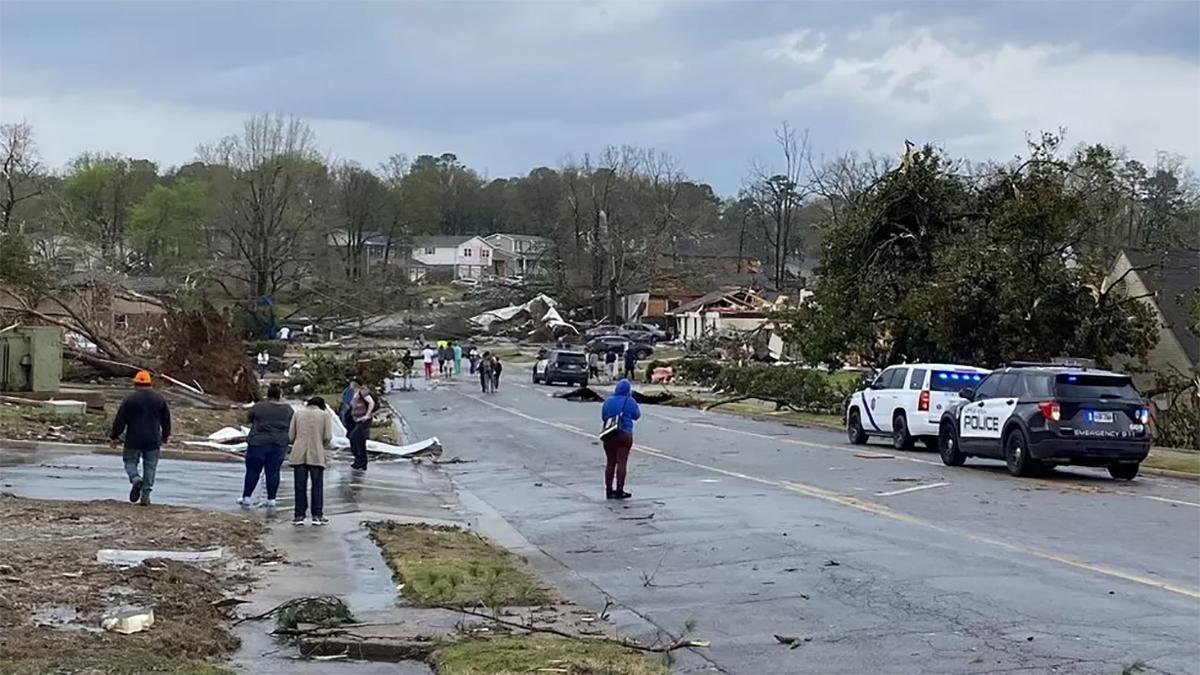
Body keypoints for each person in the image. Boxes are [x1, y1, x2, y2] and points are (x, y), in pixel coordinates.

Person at [109, 370, 171, 506]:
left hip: (133, 438)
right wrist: (165, 436)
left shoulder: (129, 399)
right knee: (150, 467)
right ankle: (145, 496)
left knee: (130, 461)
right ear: (150, 383)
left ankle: (135, 478)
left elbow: (120, 420)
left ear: (135, 384)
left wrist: (114, 436)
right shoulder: (159, 399)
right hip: (153, 439)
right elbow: (166, 420)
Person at [238, 383, 294, 508]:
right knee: (273, 471)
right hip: (279, 444)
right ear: (280, 395)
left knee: (253, 470)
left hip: (258, 443)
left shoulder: (259, 407)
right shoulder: (288, 409)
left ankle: (247, 497)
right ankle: (271, 499)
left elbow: (249, 419)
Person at [289, 396, 333, 526]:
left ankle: (299, 515)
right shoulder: (325, 415)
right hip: (316, 453)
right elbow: (327, 436)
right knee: (317, 485)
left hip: (299, 453)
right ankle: (317, 515)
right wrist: (321, 445)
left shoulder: (298, 414)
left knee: (299, 486)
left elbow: (291, 436)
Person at [600, 379, 641, 500]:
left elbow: (604, 416)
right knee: (621, 462)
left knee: (610, 463)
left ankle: (608, 490)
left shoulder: (608, 401)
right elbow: (636, 416)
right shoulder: (630, 401)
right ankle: (619, 490)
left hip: (609, 434)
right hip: (625, 434)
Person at [347, 385, 377, 471]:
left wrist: (367, 415)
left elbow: (371, 402)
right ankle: (361, 462)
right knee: (360, 440)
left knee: (354, 437)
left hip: (364, 420)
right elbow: (352, 405)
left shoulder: (363, 392)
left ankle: (360, 460)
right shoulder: (354, 393)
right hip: (357, 420)